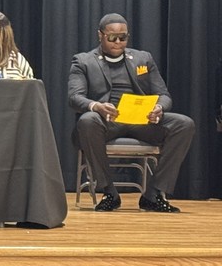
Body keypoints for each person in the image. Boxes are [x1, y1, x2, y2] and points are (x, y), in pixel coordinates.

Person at [68, 13, 195, 213]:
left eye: (123, 37)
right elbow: (75, 97)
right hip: (107, 121)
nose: (118, 42)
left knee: (184, 124)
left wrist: (159, 108)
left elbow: (164, 95)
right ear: (100, 35)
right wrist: (97, 106)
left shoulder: (143, 58)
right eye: (112, 38)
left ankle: (153, 194)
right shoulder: (83, 61)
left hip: (142, 120)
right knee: (87, 120)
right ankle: (109, 192)